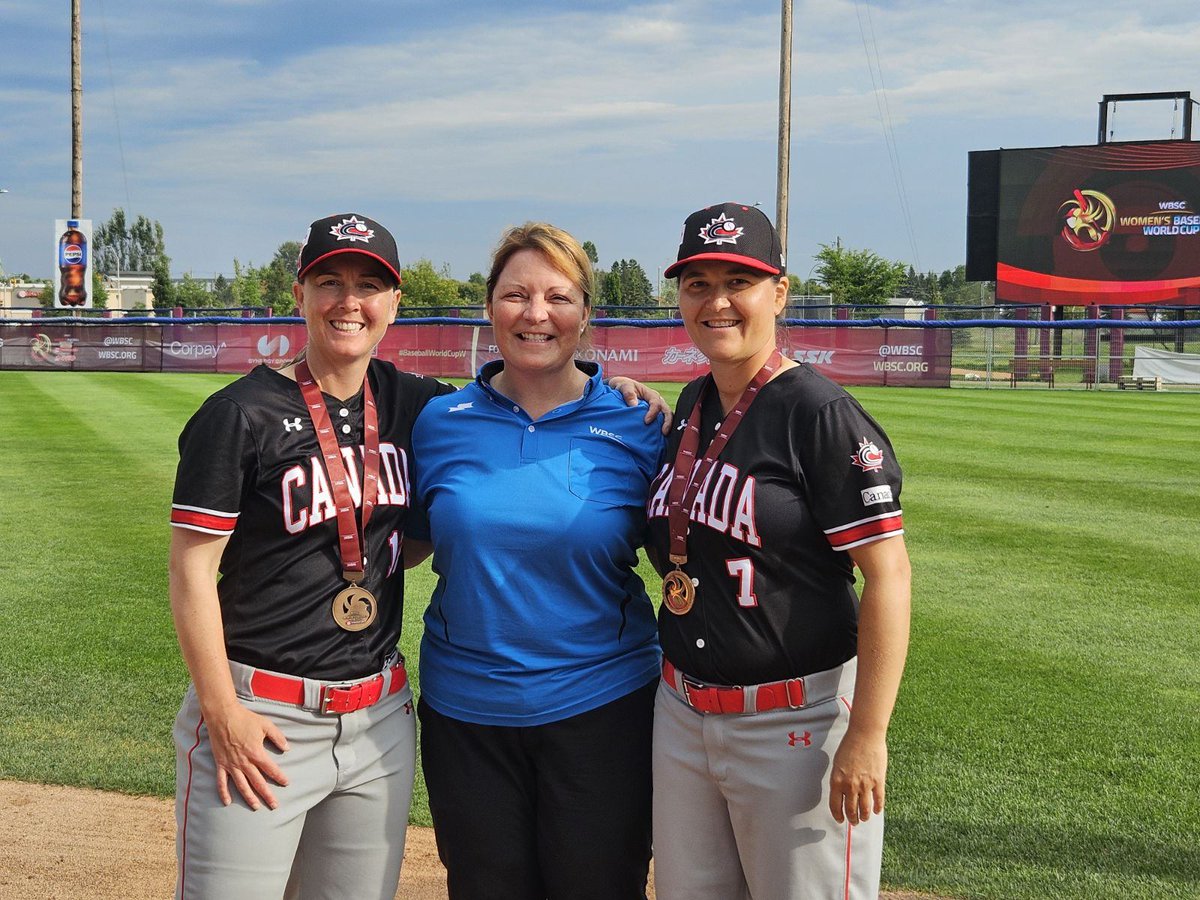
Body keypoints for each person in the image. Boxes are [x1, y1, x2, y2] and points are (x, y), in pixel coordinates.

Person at [168, 213, 457, 899]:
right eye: (329, 281)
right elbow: (190, 570)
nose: (348, 302)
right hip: (262, 718)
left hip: (379, 717)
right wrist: (221, 709)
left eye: (368, 285)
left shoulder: (416, 405)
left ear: (394, 302)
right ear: (299, 294)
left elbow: (516, 399)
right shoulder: (240, 414)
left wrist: (610, 384)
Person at [644, 202, 912, 900]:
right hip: (682, 714)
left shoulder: (819, 413)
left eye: (740, 280)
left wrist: (869, 735)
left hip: (797, 723)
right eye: (698, 282)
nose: (718, 300)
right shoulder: (692, 405)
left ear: (779, 294)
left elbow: (889, 577)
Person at [406, 222, 664, 900]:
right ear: (489, 307)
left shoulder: (641, 425)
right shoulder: (440, 420)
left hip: (602, 708)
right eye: (517, 294)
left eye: (558, 296)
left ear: (586, 314)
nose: (536, 314)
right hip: (467, 715)